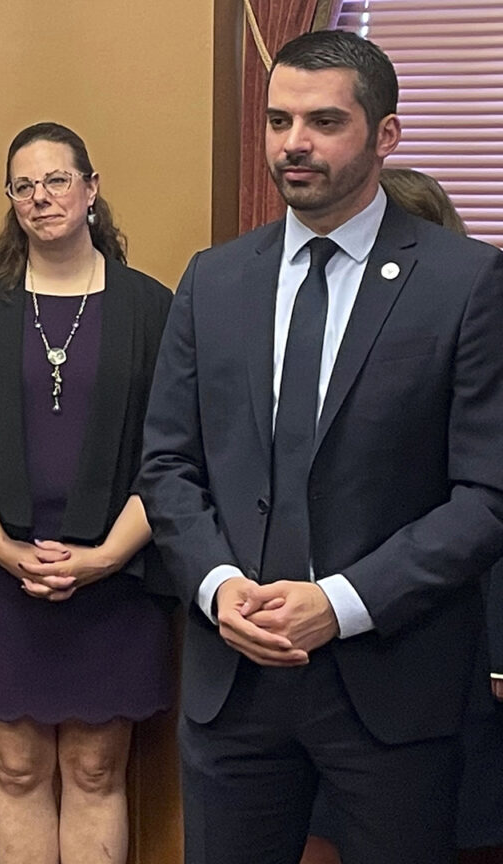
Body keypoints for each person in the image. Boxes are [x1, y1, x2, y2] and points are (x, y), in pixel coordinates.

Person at [138, 30, 503, 864]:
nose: (292, 142)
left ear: (385, 136)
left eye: (323, 121)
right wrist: (220, 586)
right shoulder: (213, 279)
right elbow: (167, 464)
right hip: (233, 679)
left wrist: (338, 603)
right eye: (277, 120)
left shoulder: (465, 281)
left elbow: (487, 496)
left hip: (391, 680)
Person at [0, 122, 172, 864]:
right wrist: (2, 549)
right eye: (24, 186)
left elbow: (175, 451)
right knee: (17, 766)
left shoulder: (150, 308)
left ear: (91, 190)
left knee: (96, 768)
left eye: (57, 180)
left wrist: (106, 556)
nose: (41, 197)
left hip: (118, 574)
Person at [301, 169, 503, 864]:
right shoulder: (307, 338)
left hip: (444, 648)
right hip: (323, 653)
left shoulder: (473, 329)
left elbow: (485, 509)